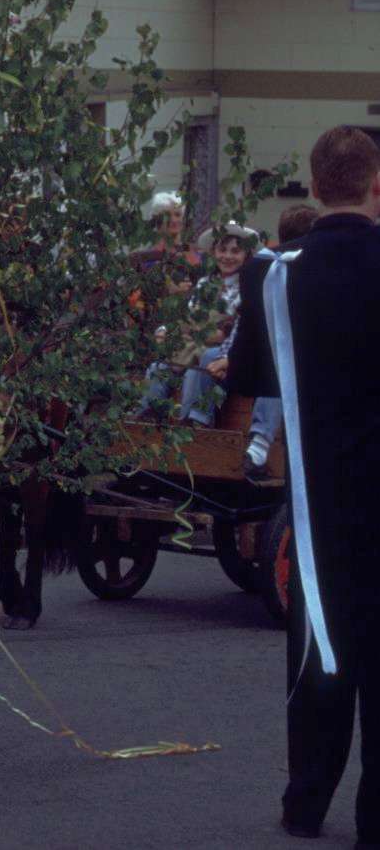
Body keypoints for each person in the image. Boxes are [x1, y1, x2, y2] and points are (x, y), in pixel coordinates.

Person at [226, 126, 380, 843]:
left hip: (319, 494)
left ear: (315, 189)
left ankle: (307, 800)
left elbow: (250, 375)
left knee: (320, 647)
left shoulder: (277, 274)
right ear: (376, 185)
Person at [227, 205, 319, 478]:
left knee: (279, 368)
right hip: (276, 356)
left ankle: (260, 442)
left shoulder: (262, 268)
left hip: (274, 354)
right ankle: (259, 442)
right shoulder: (282, 268)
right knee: (280, 370)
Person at [175, 221, 254, 425]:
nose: (227, 256)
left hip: (223, 352)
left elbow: (229, 328)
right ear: (213, 252)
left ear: (246, 254)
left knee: (197, 370)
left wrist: (203, 329)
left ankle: (194, 423)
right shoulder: (205, 283)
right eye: (222, 250)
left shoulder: (247, 285)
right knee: (157, 368)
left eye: (235, 251)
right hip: (195, 345)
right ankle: (147, 416)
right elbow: (188, 316)